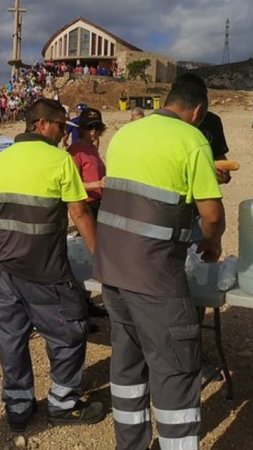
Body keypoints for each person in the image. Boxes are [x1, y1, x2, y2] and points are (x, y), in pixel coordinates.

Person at [94, 82, 225, 450]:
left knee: (128, 365)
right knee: (175, 369)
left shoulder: (125, 134)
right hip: (154, 276)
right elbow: (211, 215)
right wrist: (212, 246)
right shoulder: (192, 139)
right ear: (198, 111)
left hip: (113, 271)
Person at [0, 98, 105, 432]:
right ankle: (62, 404)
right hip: (46, 272)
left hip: (5, 271)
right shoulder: (59, 161)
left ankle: (18, 406)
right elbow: (79, 213)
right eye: (62, 126)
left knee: (11, 339)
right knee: (68, 334)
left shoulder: (0, 162)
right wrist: (103, 261)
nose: (65, 134)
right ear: (42, 124)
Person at [67, 108, 106, 219]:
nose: (93, 131)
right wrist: (98, 184)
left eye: (97, 128)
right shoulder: (76, 150)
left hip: (99, 202)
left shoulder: (92, 148)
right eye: (89, 128)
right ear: (82, 129)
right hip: (87, 204)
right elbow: (73, 185)